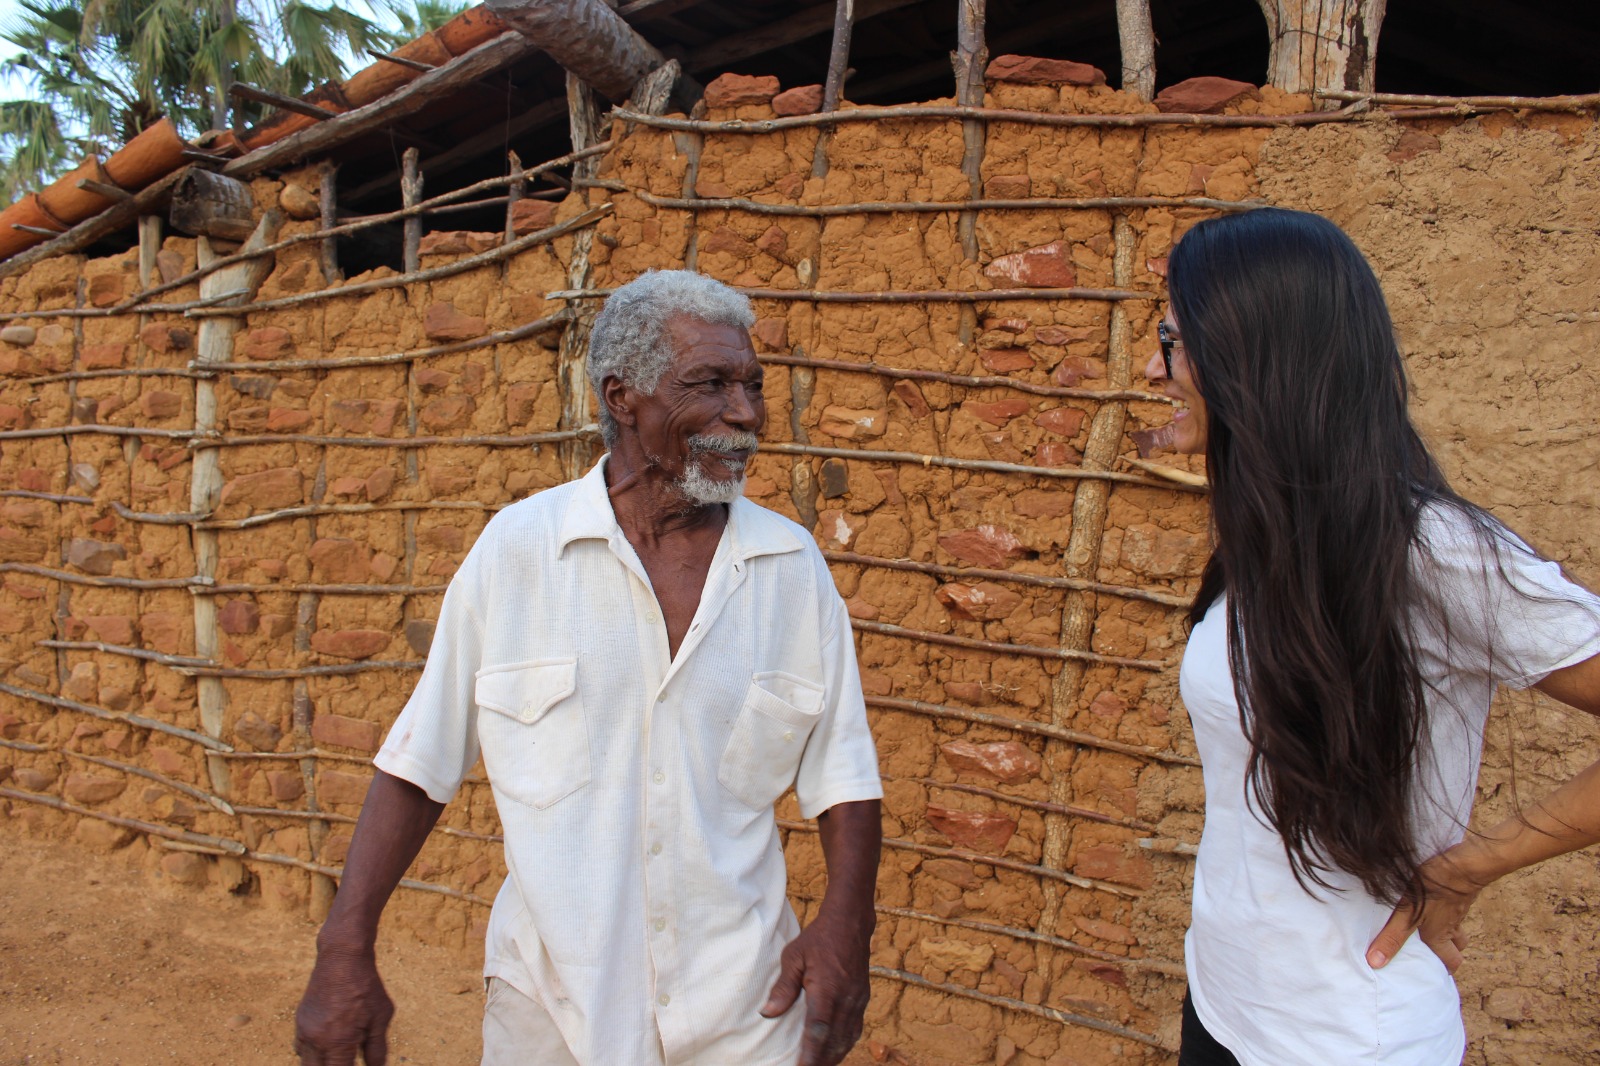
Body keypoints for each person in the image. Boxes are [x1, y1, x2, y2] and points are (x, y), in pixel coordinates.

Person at [293, 270, 884, 1066]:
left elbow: (842, 769)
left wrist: (847, 925)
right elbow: (420, 762)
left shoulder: (789, 567)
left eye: (751, 384)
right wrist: (344, 948)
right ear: (622, 397)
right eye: (708, 385)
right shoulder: (519, 552)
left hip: (746, 1010)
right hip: (551, 1014)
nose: (743, 414)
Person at [1142, 207, 1600, 1065]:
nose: (1153, 365)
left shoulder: (1431, 551)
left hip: (1350, 1036)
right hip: (1225, 1007)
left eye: (1173, 337)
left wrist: (1465, 870)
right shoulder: (1274, 542)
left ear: (1255, 359)